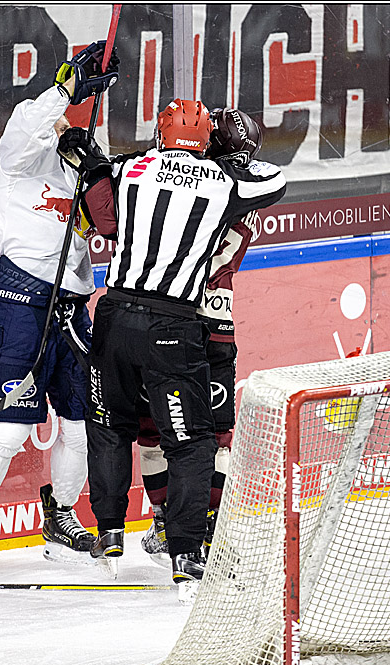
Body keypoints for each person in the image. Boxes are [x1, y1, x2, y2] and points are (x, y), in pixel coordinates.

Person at [66, 98, 285, 595]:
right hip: (185, 323)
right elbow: (275, 180)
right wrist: (227, 161)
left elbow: (103, 216)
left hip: (117, 314)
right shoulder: (228, 186)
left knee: (114, 428)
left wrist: (91, 159)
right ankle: (190, 547)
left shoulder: (130, 169)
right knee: (196, 440)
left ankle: (112, 532)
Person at [0, 42, 119, 574]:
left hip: (72, 306)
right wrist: (72, 86)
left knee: (80, 425)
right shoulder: (23, 152)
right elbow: (30, 123)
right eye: (66, 110)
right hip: (22, 301)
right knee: (7, 430)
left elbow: (111, 222)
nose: (69, 125)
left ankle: (61, 514)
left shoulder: (82, 163)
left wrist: (96, 171)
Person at [139, 107, 265, 565]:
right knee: (217, 434)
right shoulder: (245, 191)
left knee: (155, 431)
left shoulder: (193, 188)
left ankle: (161, 519)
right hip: (220, 323)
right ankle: (211, 529)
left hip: (175, 317)